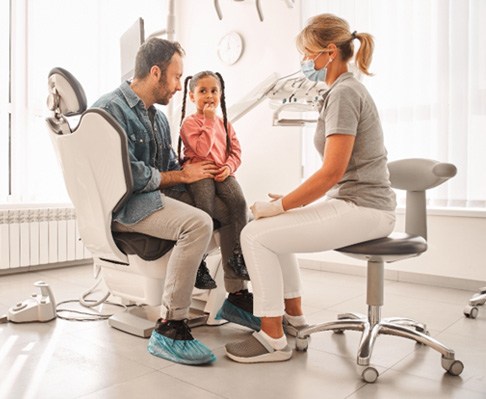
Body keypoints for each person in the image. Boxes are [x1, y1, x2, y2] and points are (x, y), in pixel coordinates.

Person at [225, 13, 397, 363]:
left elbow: (331, 172)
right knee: (272, 230)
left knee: (255, 235)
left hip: (364, 209)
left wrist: (283, 205)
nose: (304, 62)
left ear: (329, 52)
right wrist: (286, 205)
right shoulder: (341, 91)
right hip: (359, 204)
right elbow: (334, 173)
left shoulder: (344, 94)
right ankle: (294, 318)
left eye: (306, 54)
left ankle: (272, 338)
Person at [91, 38, 259, 366]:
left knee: (236, 212)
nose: (180, 87)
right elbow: (125, 175)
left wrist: (197, 172)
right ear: (156, 73)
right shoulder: (109, 110)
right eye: (176, 77)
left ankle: (237, 296)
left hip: (157, 196)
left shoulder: (158, 118)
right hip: (129, 206)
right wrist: (182, 178)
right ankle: (170, 325)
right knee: (198, 222)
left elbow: (169, 165)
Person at [178, 70, 250, 288]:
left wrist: (228, 167)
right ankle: (199, 263)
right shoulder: (189, 124)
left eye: (214, 91)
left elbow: (235, 152)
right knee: (205, 208)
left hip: (221, 172)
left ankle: (237, 257)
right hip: (200, 173)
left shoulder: (226, 124)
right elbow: (200, 151)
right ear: (192, 97)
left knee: (239, 203)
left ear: (221, 94)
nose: (209, 96)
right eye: (203, 91)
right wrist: (208, 122)